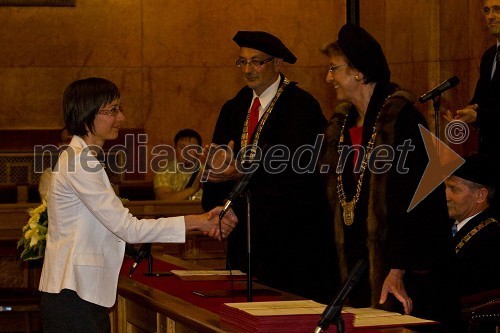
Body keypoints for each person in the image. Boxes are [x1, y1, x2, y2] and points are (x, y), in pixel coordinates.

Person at [38, 77, 238, 333]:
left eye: (119, 109)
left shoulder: (82, 158)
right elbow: (127, 228)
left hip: (78, 293)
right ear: (87, 113)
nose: (120, 117)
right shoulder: (79, 162)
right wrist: (198, 221)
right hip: (73, 294)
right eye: (112, 110)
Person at [319, 24, 450, 321]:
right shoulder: (339, 127)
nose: (329, 78)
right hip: (352, 271)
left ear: (359, 72)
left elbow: (423, 201)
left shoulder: (402, 120)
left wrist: (398, 267)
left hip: (398, 274)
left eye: (333, 69)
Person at [201, 31, 339, 303]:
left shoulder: (301, 107)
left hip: (291, 244)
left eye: (256, 62)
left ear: (277, 64)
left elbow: (302, 173)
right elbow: (219, 163)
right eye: (242, 62)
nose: (248, 69)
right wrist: (217, 188)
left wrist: (241, 174)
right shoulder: (234, 108)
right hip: (243, 240)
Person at [445, 0, 500, 215]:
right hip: (491, 158)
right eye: (486, 10)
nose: (490, 16)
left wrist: (479, 114)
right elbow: (481, 100)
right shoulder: (489, 56)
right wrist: (464, 115)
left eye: (497, 10)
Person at [443, 155, 500, 332]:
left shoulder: (491, 236)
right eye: (445, 187)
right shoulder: (446, 227)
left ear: (480, 195)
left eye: (454, 189)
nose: (446, 195)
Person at [154, 128, 203, 201]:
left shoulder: (207, 172)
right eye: (182, 147)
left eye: (192, 148)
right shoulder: (164, 172)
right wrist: (194, 188)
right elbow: (164, 199)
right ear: (175, 148)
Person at [38, 127, 73, 200]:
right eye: (67, 141)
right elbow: (48, 201)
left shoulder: (91, 170)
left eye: (74, 141)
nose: (72, 144)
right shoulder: (49, 174)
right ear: (60, 145)